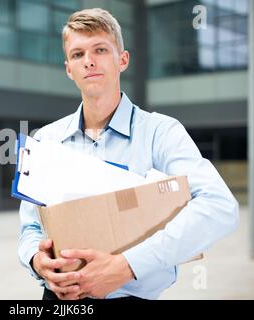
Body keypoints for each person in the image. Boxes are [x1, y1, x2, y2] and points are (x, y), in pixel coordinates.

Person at [18, 8, 239, 300]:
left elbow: (220, 207)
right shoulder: (45, 140)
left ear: (122, 60)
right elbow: (31, 225)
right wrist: (36, 259)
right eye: (77, 54)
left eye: (100, 49)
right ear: (69, 69)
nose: (89, 61)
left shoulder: (161, 133)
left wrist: (127, 266)